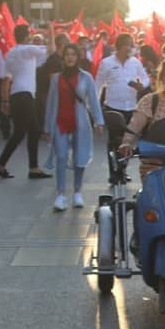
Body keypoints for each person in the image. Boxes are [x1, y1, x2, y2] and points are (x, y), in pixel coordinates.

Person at [42, 42, 105, 210]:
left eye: (73, 54)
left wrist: (99, 121)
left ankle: (77, 192)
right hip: (60, 122)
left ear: (78, 58)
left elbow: (93, 100)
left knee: (80, 157)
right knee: (61, 157)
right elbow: (50, 103)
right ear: (63, 58)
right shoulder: (56, 78)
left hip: (81, 123)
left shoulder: (86, 78)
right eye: (67, 54)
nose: (70, 57)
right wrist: (47, 127)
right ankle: (61, 195)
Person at [0, 24, 50, 179]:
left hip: (16, 95)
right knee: (28, 131)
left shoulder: (11, 53)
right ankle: (28, 167)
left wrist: (5, 101)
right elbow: (48, 51)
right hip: (26, 95)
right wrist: (50, 30)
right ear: (27, 36)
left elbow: (7, 77)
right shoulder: (27, 50)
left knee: (27, 131)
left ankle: (23, 166)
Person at [96, 32, 149, 158]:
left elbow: (145, 78)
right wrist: (95, 110)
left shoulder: (135, 62)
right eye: (129, 46)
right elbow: (97, 85)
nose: (131, 49)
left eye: (132, 46)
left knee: (127, 140)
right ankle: (114, 169)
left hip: (131, 107)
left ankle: (122, 168)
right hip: (113, 107)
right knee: (115, 139)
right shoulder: (106, 63)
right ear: (121, 46)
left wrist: (141, 85)